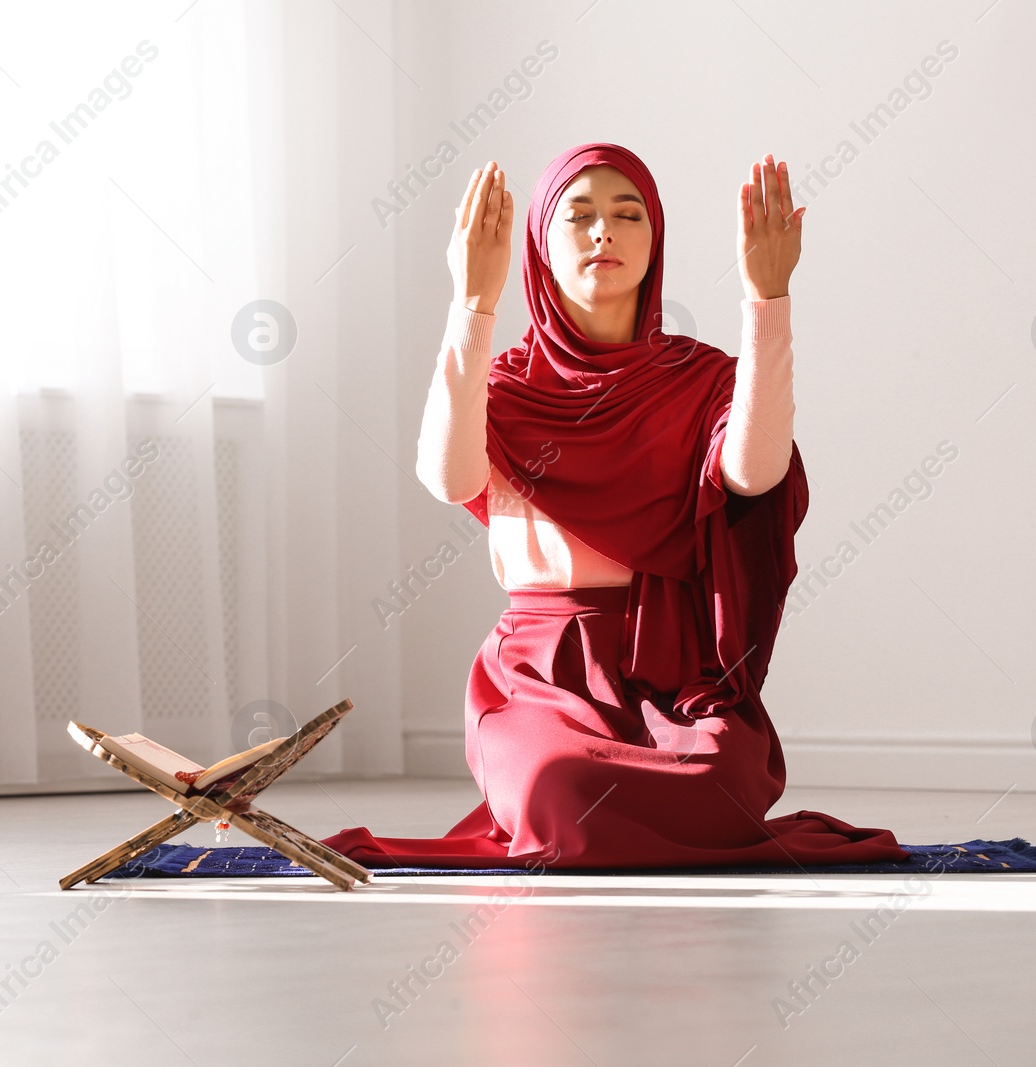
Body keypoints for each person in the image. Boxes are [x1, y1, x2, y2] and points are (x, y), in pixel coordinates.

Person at [320, 142, 908, 869]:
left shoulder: (702, 377)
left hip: (672, 675)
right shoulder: (504, 383)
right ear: (536, 244)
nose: (606, 231)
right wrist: (472, 301)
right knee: (560, 790)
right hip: (539, 674)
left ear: (654, 241)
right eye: (581, 215)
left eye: (629, 214)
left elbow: (755, 476)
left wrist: (768, 299)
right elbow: (446, 476)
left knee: (725, 781)